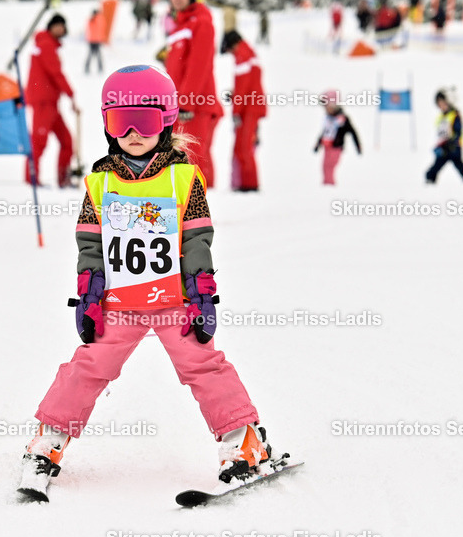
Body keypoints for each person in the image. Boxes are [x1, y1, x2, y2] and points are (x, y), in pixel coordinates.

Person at [17, 65, 287, 501]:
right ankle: (47, 442)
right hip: (119, 299)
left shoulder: (183, 178)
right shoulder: (100, 182)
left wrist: (201, 293)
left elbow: (198, 236)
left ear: (164, 121)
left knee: (201, 364)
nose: (132, 133)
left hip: (174, 297)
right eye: (120, 122)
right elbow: (90, 242)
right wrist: (89, 294)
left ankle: (244, 443)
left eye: (142, 121)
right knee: (89, 367)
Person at [163, 0, 224, 188]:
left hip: (195, 105)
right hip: (180, 105)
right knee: (181, 160)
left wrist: (187, 102)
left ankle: (198, 216)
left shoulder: (201, 22)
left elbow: (199, 65)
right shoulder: (180, 25)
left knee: (193, 161)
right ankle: (188, 214)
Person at [25, 13, 79, 188]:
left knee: (66, 141)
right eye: (59, 25)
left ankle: (63, 178)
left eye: (63, 26)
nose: (61, 29)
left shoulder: (44, 45)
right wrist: (70, 93)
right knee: (39, 141)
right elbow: (55, 73)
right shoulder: (46, 45)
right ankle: (30, 180)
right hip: (43, 102)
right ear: (52, 27)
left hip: (50, 102)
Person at [221, 31, 266, 192]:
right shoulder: (249, 53)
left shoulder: (242, 56)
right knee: (245, 145)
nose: (231, 54)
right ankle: (246, 181)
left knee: (244, 147)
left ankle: (249, 184)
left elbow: (242, 88)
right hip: (252, 106)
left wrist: (236, 111)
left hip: (248, 109)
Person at [426, 90, 463, 183]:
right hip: (443, 148)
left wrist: (451, 143)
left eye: (443, 103)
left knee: (462, 169)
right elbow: (441, 134)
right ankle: (430, 186)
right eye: (439, 103)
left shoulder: (454, 115)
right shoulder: (441, 117)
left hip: (454, 148)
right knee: (431, 172)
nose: (441, 105)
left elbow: (457, 132)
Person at [313, 89, 361, 185]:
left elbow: (353, 132)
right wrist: (317, 144)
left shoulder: (342, 119)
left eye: (327, 106)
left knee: (330, 166)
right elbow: (324, 132)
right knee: (324, 166)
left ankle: (330, 185)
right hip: (327, 146)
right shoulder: (328, 118)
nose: (325, 109)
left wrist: (358, 146)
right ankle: (326, 184)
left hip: (336, 147)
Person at [85, 9, 105, 74]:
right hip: (93, 40)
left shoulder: (96, 19)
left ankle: (100, 68)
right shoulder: (94, 19)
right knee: (93, 55)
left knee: (96, 55)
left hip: (95, 40)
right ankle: (89, 67)